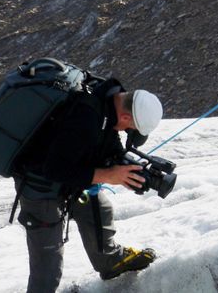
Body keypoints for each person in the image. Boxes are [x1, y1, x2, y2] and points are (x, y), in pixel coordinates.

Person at [13, 77, 164, 292]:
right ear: (125, 115)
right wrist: (108, 175)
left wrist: (124, 168)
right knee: (48, 267)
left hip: (69, 177)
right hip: (40, 186)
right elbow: (55, 169)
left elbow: (104, 143)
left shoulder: (107, 102)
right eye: (129, 128)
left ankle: (109, 262)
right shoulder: (86, 115)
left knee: (98, 208)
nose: (124, 132)